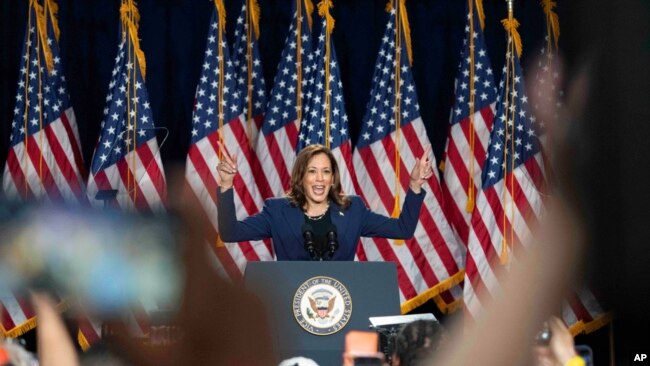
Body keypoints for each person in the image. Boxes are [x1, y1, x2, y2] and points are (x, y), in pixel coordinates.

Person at [216, 144, 434, 260]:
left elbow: (403, 229)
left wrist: (415, 185)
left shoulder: (353, 210)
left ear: (333, 179)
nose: (320, 178)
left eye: (326, 172)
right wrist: (226, 185)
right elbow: (231, 232)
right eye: (312, 171)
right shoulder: (277, 211)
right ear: (301, 177)